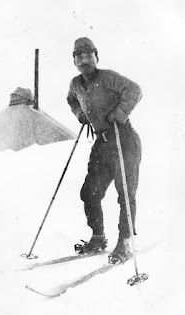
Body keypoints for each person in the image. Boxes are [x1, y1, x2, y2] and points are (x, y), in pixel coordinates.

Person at [67, 37, 142, 264]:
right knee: (90, 192)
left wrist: (119, 114)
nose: (84, 60)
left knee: (125, 194)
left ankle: (125, 243)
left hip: (124, 140)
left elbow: (134, 90)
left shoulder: (108, 77)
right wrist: (81, 115)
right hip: (102, 143)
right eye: (79, 56)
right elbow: (72, 100)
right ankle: (98, 237)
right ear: (74, 61)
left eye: (88, 55)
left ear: (96, 57)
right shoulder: (76, 84)